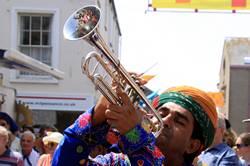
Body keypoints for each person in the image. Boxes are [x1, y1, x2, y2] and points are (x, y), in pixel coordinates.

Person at [52, 85, 218, 166]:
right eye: (161, 114)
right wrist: (98, 114)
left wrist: (134, 134)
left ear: (192, 145)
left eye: (179, 121)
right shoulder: (116, 162)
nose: (165, 121)